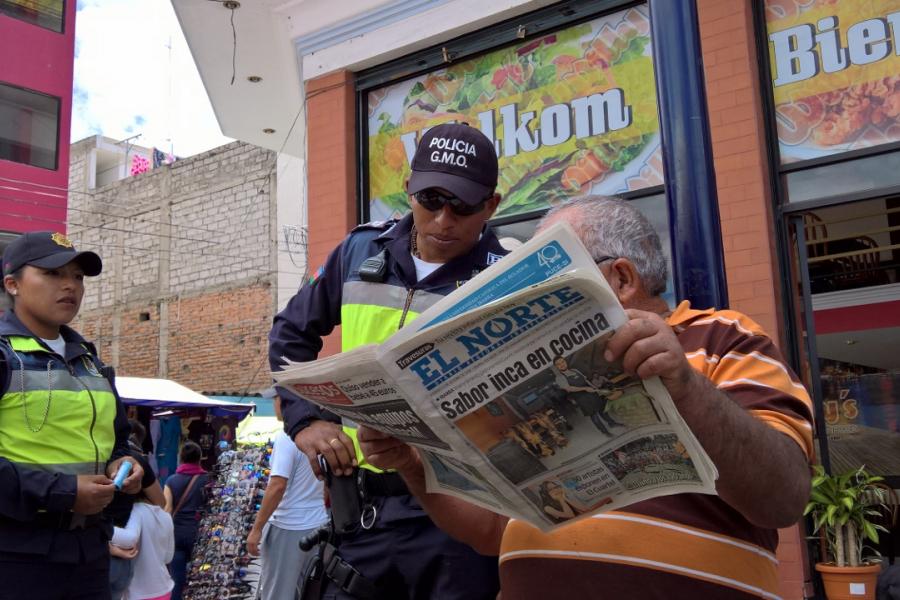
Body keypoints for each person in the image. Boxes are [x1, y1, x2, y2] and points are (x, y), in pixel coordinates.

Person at [358, 196, 815, 599]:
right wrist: (414, 468)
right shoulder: (543, 369)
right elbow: (490, 534)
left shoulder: (720, 337)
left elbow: (784, 497)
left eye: (543, 278)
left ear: (620, 279)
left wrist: (685, 385)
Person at [270, 122, 504, 599]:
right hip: (362, 510)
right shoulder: (359, 250)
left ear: (492, 206)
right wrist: (306, 421)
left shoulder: (507, 275)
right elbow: (290, 333)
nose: (443, 220)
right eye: (431, 200)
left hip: (459, 514)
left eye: (463, 206)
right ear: (408, 190)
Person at [0, 231, 143, 600]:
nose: (70, 286)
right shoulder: (4, 356)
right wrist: (63, 492)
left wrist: (128, 464)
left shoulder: (90, 362)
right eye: (52, 274)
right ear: (12, 284)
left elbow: (121, 440)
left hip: (89, 552)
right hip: (16, 557)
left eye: (77, 276)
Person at [247, 392, 329, 600]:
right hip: (319, 524)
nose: (274, 404)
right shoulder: (322, 433)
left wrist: (256, 529)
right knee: (311, 591)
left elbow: (277, 485)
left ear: (284, 402)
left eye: (275, 399)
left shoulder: (286, 436)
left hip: (288, 525)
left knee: (278, 593)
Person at [108, 419, 167, 600]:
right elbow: (160, 502)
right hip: (123, 551)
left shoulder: (97, 456)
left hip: (92, 544)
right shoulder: (137, 462)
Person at [110, 488, 175, 600]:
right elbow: (168, 557)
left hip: (139, 592)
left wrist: (100, 530)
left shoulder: (136, 510)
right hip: (164, 588)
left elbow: (130, 538)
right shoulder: (166, 516)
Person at [164, 441, 209, 600]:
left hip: (176, 534)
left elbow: (167, 509)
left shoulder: (171, 481)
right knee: (199, 578)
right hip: (199, 534)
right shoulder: (207, 480)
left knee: (177, 579)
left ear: (181, 458)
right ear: (199, 459)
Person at [551, 354, 622, 435]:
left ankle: (612, 423)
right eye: (558, 364)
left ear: (565, 362)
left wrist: (595, 389)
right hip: (582, 399)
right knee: (594, 416)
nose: (562, 364)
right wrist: (585, 388)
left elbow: (586, 380)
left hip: (592, 393)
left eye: (562, 361)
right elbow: (568, 388)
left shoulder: (575, 370)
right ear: (557, 367)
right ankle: (605, 432)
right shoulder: (559, 378)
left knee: (603, 410)